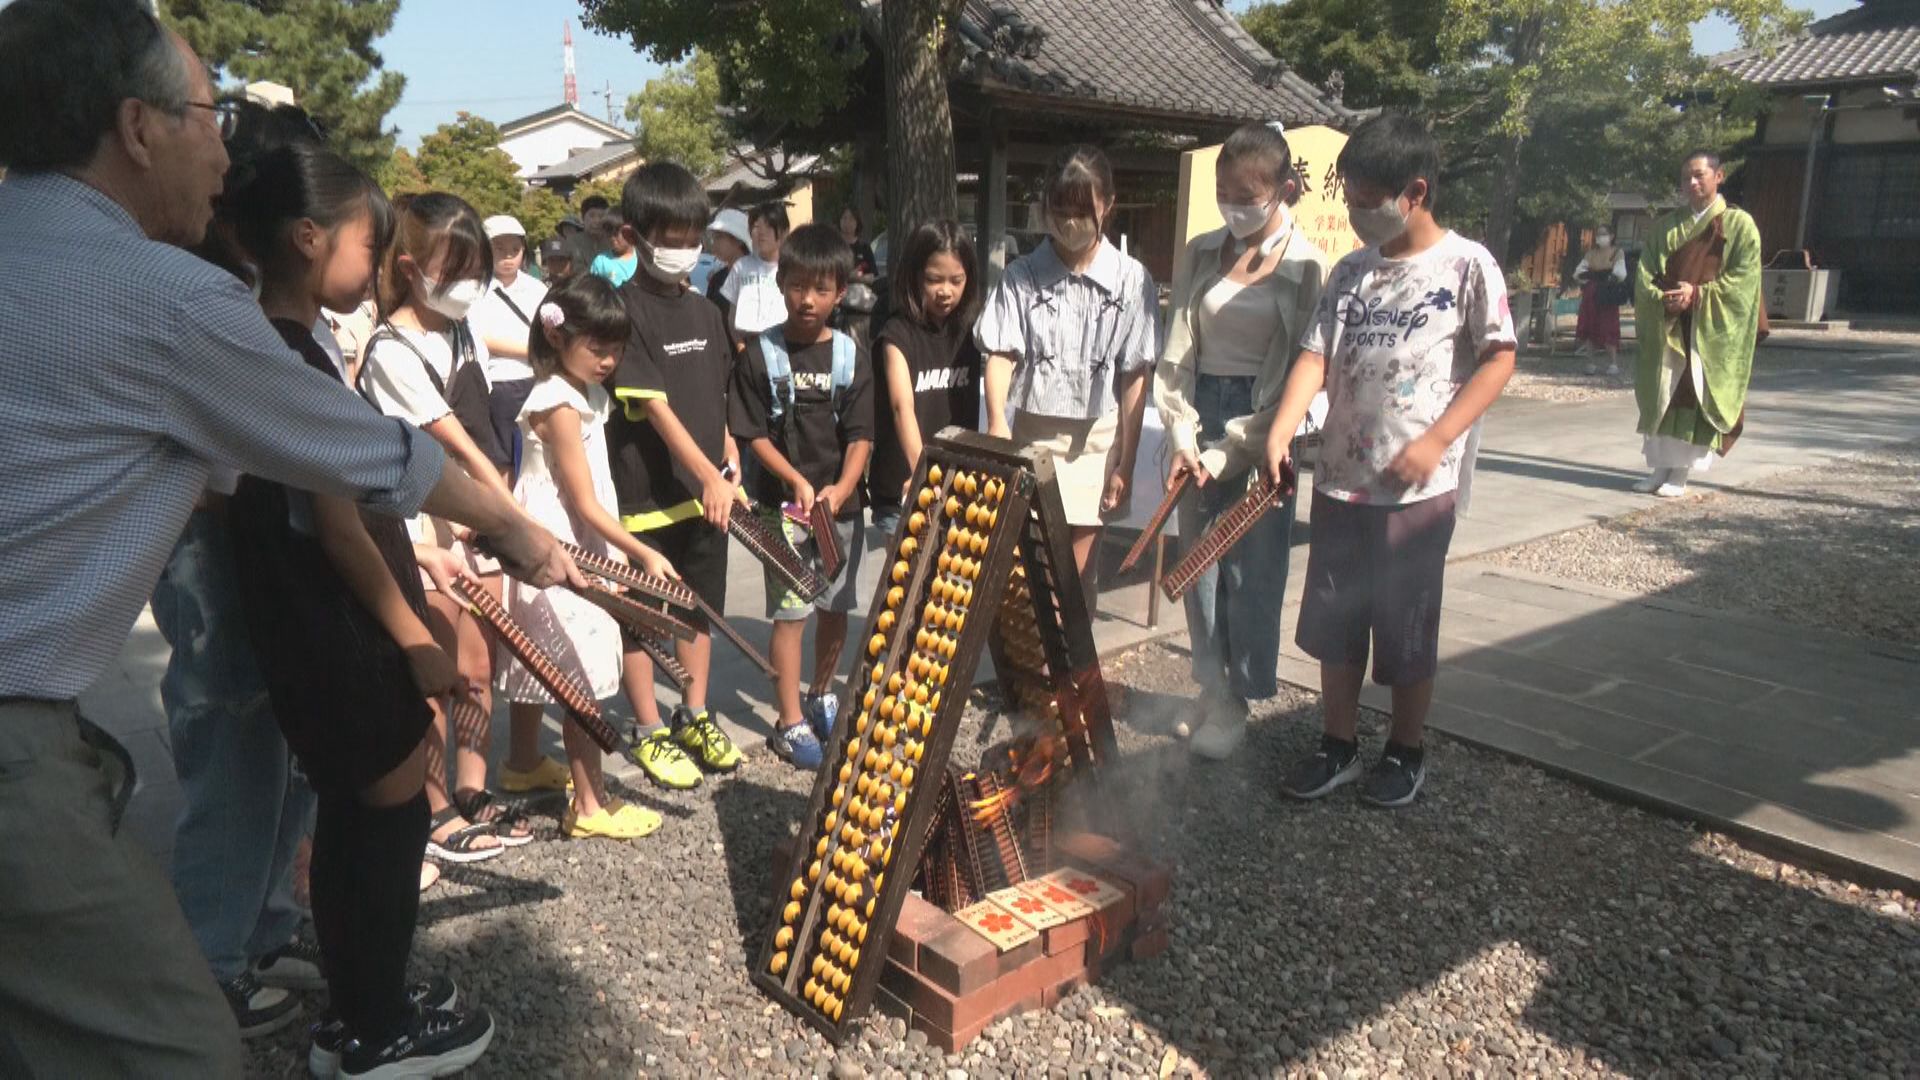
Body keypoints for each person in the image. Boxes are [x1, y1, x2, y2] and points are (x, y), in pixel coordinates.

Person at [0, 2, 572, 1073]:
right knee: (179, 1050)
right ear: (136, 126)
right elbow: (364, 460)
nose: (228, 149)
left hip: (52, 718)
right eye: (211, 115)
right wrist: (515, 532)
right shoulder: (167, 301)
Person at [216, 133, 495, 1077]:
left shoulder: (268, 339)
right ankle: (376, 1030)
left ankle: (361, 1003)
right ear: (306, 238)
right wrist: (417, 637)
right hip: (336, 624)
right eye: (367, 246)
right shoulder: (288, 355)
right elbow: (336, 525)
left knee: (356, 812)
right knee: (384, 817)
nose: (377, 265)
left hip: (315, 621)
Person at [1259, 112, 1517, 808]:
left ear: (1416, 190)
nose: (1356, 210)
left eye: (1368, 197)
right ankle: (1337, 743)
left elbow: (1499, 358)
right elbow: (1315, 356)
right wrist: (1282, 430)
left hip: (1417, 491)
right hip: (1342, 480)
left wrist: (1437, 439)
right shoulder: (1351, 272)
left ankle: (1406, 750)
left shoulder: (1467, 265)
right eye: (1351, 194)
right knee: (1336, 622)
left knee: (1405, 626)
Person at [153, 98, 326, 1043]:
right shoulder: (197, 285)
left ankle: (261, 931)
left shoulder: (258, 283)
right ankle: (207, 972)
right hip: (207, 546)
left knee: (285, 736)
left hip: (266, 541)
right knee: (229, 739)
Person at [361, 192, 540, 863]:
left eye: (478, 269)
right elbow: (456, 445)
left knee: (476, 665)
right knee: (435, 665)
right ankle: (433, 807)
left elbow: (493, 405)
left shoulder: (462, 331)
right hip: (425, 530)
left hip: (475, 521)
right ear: (409, 268)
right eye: (456, 268)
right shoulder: (390, 350)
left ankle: (472, 786)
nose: (470, 284)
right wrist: (517, 522)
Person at [1152, 122, 1329, 759]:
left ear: (1282, 190)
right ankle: (1212, 688)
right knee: (1196, 565)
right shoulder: (1202, 251)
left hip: (1264, 424)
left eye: (1247, 193)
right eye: (1224, 190)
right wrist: (1180, 432)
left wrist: (1237, 448)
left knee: (1250, 570)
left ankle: (1241, 699)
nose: (1234, 203)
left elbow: (1302, 369)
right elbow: (1176, 353)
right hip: (1199, 416)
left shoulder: (1307, 266)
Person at [506, 273, 684, 838]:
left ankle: (523, 761)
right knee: (577, 673)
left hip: (556, 538)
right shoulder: (558, 400)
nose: (608, 360)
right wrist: (639, 552)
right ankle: (589, 806)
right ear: (560, 339)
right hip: (564, 544)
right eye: (597, 348)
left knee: (545, 657)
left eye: (616, 349)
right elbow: (582, 499)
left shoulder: (582, 393)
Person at [602, 162, 747, 788]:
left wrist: (729, 458)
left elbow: (716, 397)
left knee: (699, 612)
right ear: (634, 235)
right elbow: (654, 409)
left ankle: (693, 713)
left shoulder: (706, 312)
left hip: (706, 497)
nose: (686, 249)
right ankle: (648, 726)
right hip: (647, 497)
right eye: (673, 236)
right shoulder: (621, 311)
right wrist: (707, 474)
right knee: (642, 618)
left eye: (695, 236)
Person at [977, 144, 1159, 606]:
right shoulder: (1020, 276)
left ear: (1108, 205)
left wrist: (1128, 459)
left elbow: (1135, 373)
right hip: (1033, 438)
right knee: (1032, 576)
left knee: (1076, 579)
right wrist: (997, 418)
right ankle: (1038, 674)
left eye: (1082, 211)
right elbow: (1000, 352)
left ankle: (1071, 675)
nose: (1070, 222)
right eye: (1060, 210)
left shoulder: (1133, 281)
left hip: (1098, 442)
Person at [729, 224, 874, 769]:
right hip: (780, 508)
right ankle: (789, 720)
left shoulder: (850, 356)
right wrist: (793, 477)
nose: (807, 300)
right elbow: (752, 435)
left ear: (840, 291)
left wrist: (841, 488)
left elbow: (861, 435)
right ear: (780, 283)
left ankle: (822, 689)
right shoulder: (758, 356)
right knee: (791, 612)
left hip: (839, 507)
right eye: (796, 286)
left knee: (835, 607)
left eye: (821, 289)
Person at [1631, 150, 1763, 499]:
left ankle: (1681, 472)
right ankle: (1660, 468)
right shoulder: (1667, 227)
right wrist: (1663, 298)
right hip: (1670, 325)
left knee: (1692, 396)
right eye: (1686, 177)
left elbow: (1744, 282)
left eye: (1699, 175)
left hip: (1704, 331)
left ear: (1719, 176)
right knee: (1663, 394)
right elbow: (1646, 274)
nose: (1691, 182)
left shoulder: (1739, 226)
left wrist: (1699, 295)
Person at [870, 220, 983, 538]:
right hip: (905, 493)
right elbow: (900, 406)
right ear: (915, 275)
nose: (945, 291)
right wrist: (923, 472)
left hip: (959, 489)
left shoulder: (973, 330)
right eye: (934, 279)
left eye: (956, 280)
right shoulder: (897, 333)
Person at [721, 201, 791, 342]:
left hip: (782, 342)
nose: (761, 233)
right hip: (748, 343)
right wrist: (740, 347)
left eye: (769, 226)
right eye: (756, 226)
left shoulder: (791, 269)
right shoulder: (741, 266)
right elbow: (731, 315)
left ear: (784, 232)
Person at [1572, 225, 1628, 378]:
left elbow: (1620, 273)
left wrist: (1607, 276)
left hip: (1607, 293)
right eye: (1599, 234)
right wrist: (1589, 275)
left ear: (1612, 235)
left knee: (1608, 326)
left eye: (1604, 234)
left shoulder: (1617, 252)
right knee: (1590, 325)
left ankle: (1613, 363)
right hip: (1591, 292)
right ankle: (1590, 362)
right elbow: (1578, 273)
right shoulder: (1591, 253)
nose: (1600, 237)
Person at [702, 206, 751, 307]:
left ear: (739, 240)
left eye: (719, 237)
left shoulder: (756, 277)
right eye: (714, 236)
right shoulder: (717, 279)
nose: (713, 242)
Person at [589, 210, 639, 288]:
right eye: (609, 234)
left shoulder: (642, 260)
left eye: (616, 233)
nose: (612, 238)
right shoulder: (601, 262)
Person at [840, 206, 878, 280]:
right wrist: (849, 276)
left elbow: (872, 276)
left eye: (851, 219)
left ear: (857, 222)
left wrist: (858, 277)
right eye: (844, 218)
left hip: (860, 289)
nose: (847, 222)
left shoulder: (864, 248)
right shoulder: (834, 247)